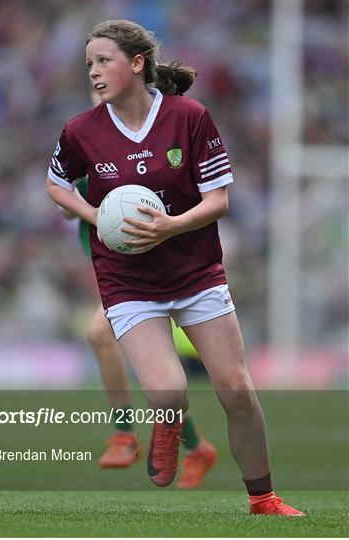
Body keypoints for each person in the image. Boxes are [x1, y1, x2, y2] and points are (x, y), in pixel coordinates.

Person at [47, 19, 305, 515]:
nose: (94, 73)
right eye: (89, 65)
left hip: (195, 270)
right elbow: (57, 185)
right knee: (171, 390)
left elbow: (219, 200)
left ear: (137, 63)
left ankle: (264, 499)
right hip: (128, 280)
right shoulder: (80, 131)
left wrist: (170, 226)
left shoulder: (189, 116)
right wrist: (94, 214)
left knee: (236, 389)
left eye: (104, 61)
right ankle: (168, 427)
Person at [64, 176, 217, 489]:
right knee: (160, 386)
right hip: (120, 276)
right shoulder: (84, 157)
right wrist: (78, 186)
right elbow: (66, 210)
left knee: (99, 334)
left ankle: (124, 434)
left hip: (152, 277)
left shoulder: (133, 163)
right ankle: (196, 448)